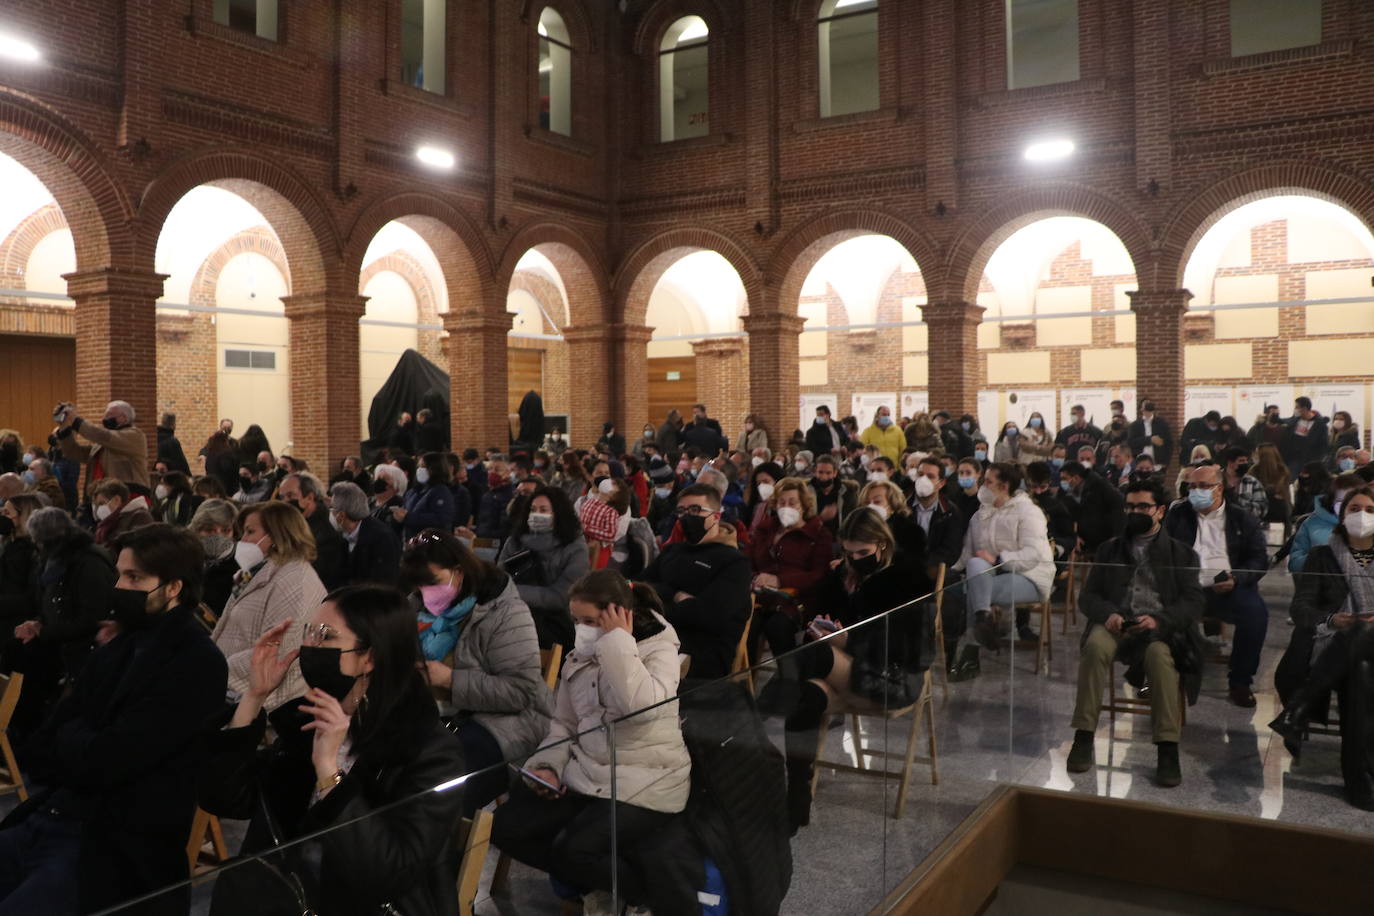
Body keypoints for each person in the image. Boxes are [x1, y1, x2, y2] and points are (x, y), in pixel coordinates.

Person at [0, 524, 226, 915]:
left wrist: (78, 741)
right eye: (120, 573)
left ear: (173, 588)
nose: (118, 585)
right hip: (52, 814)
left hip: (107, 841)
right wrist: (83, 742)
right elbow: (41, 746)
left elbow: (110, 759)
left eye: (134, 577)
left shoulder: (196, 660)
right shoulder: (120, 644)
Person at [201, 584, 466, 915]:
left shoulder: (428, 751)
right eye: (309, 632)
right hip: (282, 897)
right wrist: (255, 697)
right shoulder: (307, 719)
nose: (308, 647)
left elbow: (387, 873)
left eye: (325, 636)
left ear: (369, 657)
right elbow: (225, 798)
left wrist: (329, 771)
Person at [491, 571, 690, 915]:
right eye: (576, 620)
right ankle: (597, 885)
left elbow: (641, 710)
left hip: (646, 782)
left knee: (573, 851)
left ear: (619, 615)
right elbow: (564, 724)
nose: (580, 629)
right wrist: (548, 767)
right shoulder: (580, 656)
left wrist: (616, 642)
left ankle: (649, 894)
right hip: (588, 773)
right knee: (505, 827)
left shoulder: (659, 649)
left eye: (590, 620)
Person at [782, 509, 931, 832]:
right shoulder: (842, 577)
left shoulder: (909, 577)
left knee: (815, 660)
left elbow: (914, 651)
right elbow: (823, 613)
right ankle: (796, 793)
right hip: (847, 671)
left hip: (893, 675)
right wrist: (822, 628)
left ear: (882, 544)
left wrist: (849, 639)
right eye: (849, 553)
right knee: (807, 696)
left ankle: (768, 699)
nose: (855, 559)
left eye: (863, 553)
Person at [402, 531, 551, 814]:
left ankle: (442, 853)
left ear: (458, 571)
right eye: (418, 585)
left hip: (502, 724)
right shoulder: (417, 605)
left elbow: (520, 692)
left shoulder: (504, 612)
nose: (425, 592)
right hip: (434, 714)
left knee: (435, 796)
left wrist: (449, 679)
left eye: (431, 582)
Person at [1065, 479, 1202, 788]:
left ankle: (1167, 747)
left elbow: (1193, 602)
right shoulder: (1110, 548)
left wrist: (1160, 621)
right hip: (1117, 623)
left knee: (1159, 658)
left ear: (1160, 510)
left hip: (1158, 628)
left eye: (1143, 506)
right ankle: (1084, 736)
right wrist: (1108, 615)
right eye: (1130, 506)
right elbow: (1088, 597)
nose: (1135, 512)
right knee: (1095, 647)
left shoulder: (1182, 554)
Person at [1270, 485, 1374, 809]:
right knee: (1361, 667)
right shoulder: (1322, 555)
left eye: (1370, 509)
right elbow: (1300, 609)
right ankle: (1361, 782)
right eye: (1354, 509)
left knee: (1363, 635)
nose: (1362, 516)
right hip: (1339, 643)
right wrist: (1331, 620)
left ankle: (1298, 708)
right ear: (1342, 517)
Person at [1164, 462, 1268, 707]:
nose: (1195, 491)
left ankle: (1240, 681)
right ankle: (1158, 677)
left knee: (1256, 615)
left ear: (1219, 489)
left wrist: (1238, 578)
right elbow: (1162, 551)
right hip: (1187, 589)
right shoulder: (1177, 516)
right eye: (1192, 486)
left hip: (1229, 587)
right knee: (1156, 610)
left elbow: (1259, 558)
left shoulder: (1242, 518)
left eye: (1203, 486)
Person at [211, 500, 327, 710]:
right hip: (228, 692)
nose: (242, 540)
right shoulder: (253, 574)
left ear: (276, 535)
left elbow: (280, 647)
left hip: (262, 702)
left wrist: (214, 669)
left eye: (250, 532)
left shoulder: (295, 581)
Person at [641, 483, 751, 680]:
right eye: (682, 511)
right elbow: (640, 588)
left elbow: (709, 616)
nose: (686, 516)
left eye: (695, 510)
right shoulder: (673, 551)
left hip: (701, 650)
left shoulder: (734, 562)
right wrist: (676, 595)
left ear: (716, 516)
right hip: (657, 634)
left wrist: (655, 606)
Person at [953, 462, 1055, 664]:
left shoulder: (1028, 512)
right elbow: (968, 553)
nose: (982, 486)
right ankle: (983, 618)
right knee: (974, 565)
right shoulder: (980, 514)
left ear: (1004, 486)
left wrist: (999, 560)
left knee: (972, 589)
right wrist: (951, 571)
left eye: (988, 482)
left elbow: (1032, 554)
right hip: (992, 574)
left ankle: (969, 656)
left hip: (1030, 576)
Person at [747, 477, 834, 660]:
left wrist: (780, 581)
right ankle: (742, 679)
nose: (786, 507)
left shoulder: (818, 534)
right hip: (760, 596)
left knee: (778, 626)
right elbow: (748, 560)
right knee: (747, 625)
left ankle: (790, 679)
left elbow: (819, 576)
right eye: (782, 502)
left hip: (797, 599)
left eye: (792, 502)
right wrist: (755, 578)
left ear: (803, 505)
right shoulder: (765, 530)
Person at [497, 486, 590, 649]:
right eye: (533, 509)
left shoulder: (574, 547)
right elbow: (498, 579)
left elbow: (562, 596)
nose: (536, 514)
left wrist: (513, 591)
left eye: (543, 510)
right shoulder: (516, 541)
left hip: (552, 621)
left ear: (558, 514)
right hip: (510, 612)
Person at [52, 399, 150, 494]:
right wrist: (63, 425)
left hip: (127, 495)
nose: (104, 419)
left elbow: (101, 435)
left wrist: (74, 419)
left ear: (123, 418)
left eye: (109, 415)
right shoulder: (102, 444)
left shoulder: (135, 435)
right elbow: (73, 452)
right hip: (99, 496)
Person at [279, 472, 347, 591]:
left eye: (290, 496)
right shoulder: (294, 523)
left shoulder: (326, 531)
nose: (285, 502)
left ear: (309, 497)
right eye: (282, 497)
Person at [329, 481, 401, 587]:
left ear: (341, 515)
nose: (330, 514)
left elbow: (383, 584)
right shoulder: (342, 535)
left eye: (332, 509)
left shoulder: (382, 539)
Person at [1288, 472, 1363, 573]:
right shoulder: (1311, 524)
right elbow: (1294, 564)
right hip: (1323, 585)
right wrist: (1319, 558)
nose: (1346, 507)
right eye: (1341, 501)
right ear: (1332, 501)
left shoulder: (1369, 523)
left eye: (1352, 502)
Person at [1059, 460, 1124, 555]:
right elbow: (1067, 517)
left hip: (1105, 541)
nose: (1062, 482)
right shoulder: (1068, 493)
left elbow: (1119, 507)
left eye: (1065, 478)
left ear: (1076, 478)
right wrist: (1073, 535)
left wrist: (1117, 536)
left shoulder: (1101, 486)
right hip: (1084, 541)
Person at [395, 452, 463, 541]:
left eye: (423, 467)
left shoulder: (441, 492)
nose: (420, 470)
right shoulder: (413, 491)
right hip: (412, 540)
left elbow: (441, 519)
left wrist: (408, 517)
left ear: (435, 469)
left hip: (433, 542)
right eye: (419, 466)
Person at [190, 498, 239, 620]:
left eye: (225, 530)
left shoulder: (241, 566)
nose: (218, 537)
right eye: (209, 530)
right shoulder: (186, 558)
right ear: (196, 530)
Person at [0, 495, 43, 635]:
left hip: (18, 622)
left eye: (7, 513)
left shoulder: (31, 550)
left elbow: (31, 595)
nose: (2, 516)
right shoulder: (9, 545)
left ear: (24, 515)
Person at [91, 479, 156, 547]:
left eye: (102, 503)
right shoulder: (110, 522)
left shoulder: (139, 517)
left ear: (117, 500)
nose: (99, 509)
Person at [809, 454, 856, 536]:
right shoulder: (806, 492)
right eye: (820, 472)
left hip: (838, 538)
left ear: (835, 473)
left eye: (828, 473)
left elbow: (852, 520)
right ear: (815, 472)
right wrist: (821, 518)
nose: (824, 477)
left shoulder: (847, 493)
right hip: (813, 537)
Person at [1282, 396, 1330, 477]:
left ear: (1304, 408)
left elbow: (1323, 444)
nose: (1295, 409)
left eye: (1297, 407)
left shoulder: (1320, 424)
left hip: (1310, 460)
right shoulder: (1294, 421)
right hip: (1293, 459)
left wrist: (1318, 459)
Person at [1219, 445, 1267, 522]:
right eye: (1241, 461)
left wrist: (1238, 503)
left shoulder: (1253, 482)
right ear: (1230, 463)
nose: (1245, 463)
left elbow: (1262, 509)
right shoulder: (1215, 480)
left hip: (1246, 525)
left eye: (1246, 460)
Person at [477, 454, 517, 540]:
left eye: (497, 470)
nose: (492, 473)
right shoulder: (487, 494)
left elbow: (505, 529)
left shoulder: (510, 495)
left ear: (508, 472)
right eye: (490, 469)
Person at [949, 456, 983, 522]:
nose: (964, 476)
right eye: (961, 473)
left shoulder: (982, 501)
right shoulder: (952, 499)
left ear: (978, 474)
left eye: (968, 473)